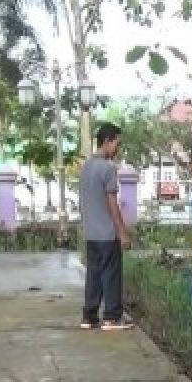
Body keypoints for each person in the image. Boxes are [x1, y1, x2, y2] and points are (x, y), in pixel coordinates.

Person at [80, 123, 133, 331]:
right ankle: (112, 317)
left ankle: (89, 317)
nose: (118, 149)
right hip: (107, 234)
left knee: (93, 274)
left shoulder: (86, 167)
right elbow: (112, 202)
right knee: (111, 276)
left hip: (91, 233)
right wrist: (122, 232)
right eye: (117, 144)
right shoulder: (108, 168)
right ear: (107, 141)